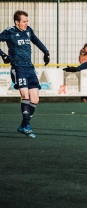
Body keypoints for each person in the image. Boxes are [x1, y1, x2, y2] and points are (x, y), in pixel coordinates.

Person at [0, 10, 50, 138]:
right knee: (25, 95)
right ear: (17, 22)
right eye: (24, 21)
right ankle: (27, 126)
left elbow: (36, 40)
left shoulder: (28, 31)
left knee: (35, 99)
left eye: (27, 21)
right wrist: (3, 55)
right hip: (18, 68)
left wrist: (46, 52)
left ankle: (23, 125)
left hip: (29, 68)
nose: (26, 23)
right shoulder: (9, 32)